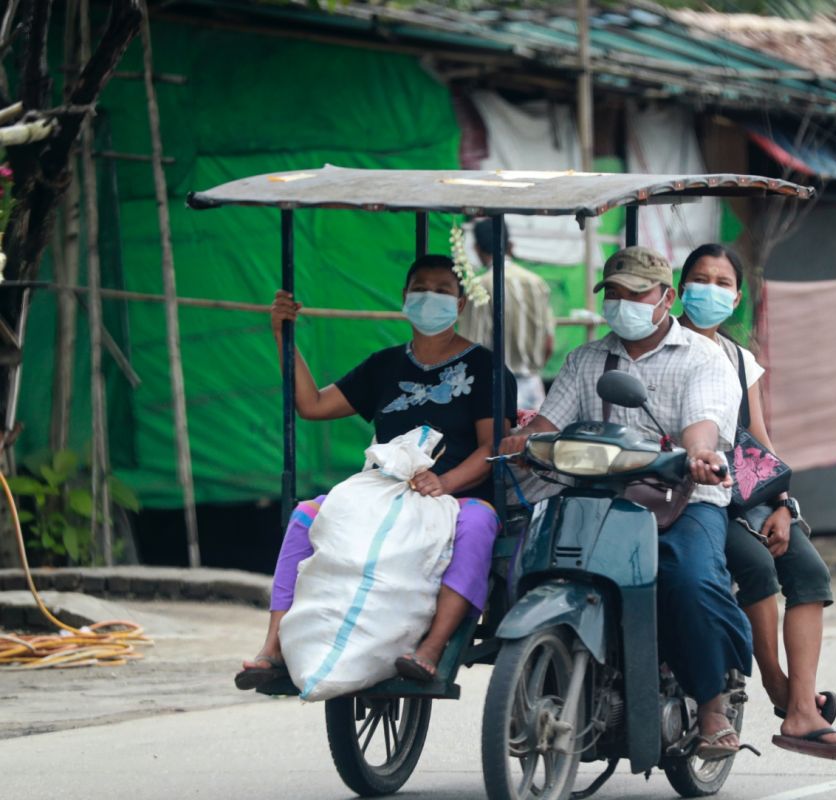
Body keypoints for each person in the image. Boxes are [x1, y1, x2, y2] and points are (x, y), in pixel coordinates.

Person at [500, 245, 753, 761]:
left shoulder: (705, 358)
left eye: (636, 293)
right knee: (526, 559)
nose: (624, 303)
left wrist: (701, 453)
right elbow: (549, 425)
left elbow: (703, 424)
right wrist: (519, 445)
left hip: (684, 494)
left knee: (689, 579)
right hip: (596, 492)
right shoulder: (587, 359)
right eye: (614, 294)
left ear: (666, 298)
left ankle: (710, 706)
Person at [236, 254, 517, 689]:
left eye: (443, 290)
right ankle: (273, 646)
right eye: (420, 288)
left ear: (460, 305)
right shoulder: (384, 365)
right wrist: (282, 335)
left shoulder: (484, 368)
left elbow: (493, 447)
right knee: (306, 515)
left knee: (480, 524)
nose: (430, 297)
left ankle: (433, 648)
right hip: (383, 492)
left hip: (456, 495)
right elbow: (311, 405)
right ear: (404, 298)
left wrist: (444, 482)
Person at [676, 243, 836, 761]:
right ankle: (778, 687)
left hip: (747, 494)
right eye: (701, 278)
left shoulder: (741, 361)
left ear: (738, 297)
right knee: (758, 565)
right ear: (679, 288)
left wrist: (782, 504)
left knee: (807, 569)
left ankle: (802, 706)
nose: (711, 290)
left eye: (722, 283)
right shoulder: (668, 347)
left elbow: (756, 442)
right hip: (696, 496)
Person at [458, 219, 557, 412]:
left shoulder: (480, 286)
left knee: (499, 441)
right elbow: (549, 344)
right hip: (532, 385)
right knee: (531, 439)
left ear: (477, 248)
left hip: (494, 388)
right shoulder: (536, 282)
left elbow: (471, 346)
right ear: (510, 245)